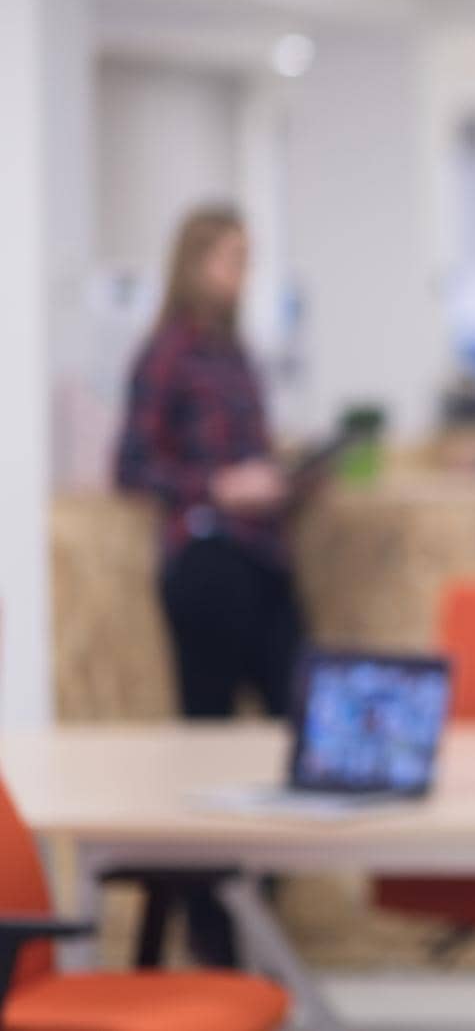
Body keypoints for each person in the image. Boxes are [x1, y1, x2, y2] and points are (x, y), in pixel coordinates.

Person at [113, 203, 306, 967]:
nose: (240, 273)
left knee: (305, 733)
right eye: (230, 258)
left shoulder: (237, 354)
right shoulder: (166, 353)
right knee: (208, 753)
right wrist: (219, 486)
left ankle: (252, 915)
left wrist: (285, 478)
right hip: (207, 564)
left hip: (265, 561)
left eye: (246, 258)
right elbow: (131, 465)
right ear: (194, 262)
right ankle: (214, 946)